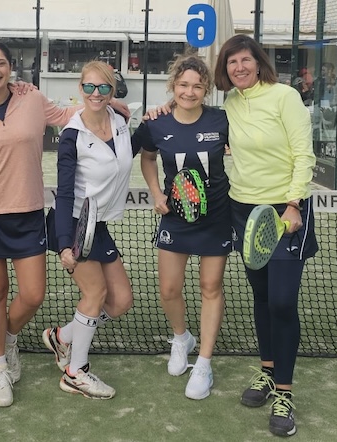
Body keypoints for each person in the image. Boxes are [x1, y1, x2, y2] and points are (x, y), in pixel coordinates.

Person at [0, 40, 128, 408]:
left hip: (29, 210)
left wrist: (111, 104)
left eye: (1, 63)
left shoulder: (31, 99)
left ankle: (10, 335)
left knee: (33, 295)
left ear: (11, 68)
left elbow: (71, 117)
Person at [212, 34, 317, 437]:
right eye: (231, 62)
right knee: (260, 296)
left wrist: (293, 204)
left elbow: (303, 153)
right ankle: (268, 372)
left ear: (258, 62)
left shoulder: (285, 96)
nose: (238, 67)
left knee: (282, 300)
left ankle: (285, 394)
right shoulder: (232, 103)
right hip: (243, 211)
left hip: (285, 212)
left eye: (245, 60)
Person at [133, 54, 231, 400]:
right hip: (175, 217)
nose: (190, 91)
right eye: (183, 85)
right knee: (170, 290)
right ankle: (181, 338)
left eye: (197, 85)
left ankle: (203, 363)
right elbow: (146, 157)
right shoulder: (156, 124)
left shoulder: (222, 120)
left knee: (210, 286)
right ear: (173, 86)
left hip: (217, 216)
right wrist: (156, 191)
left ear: (206, 89)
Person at [42, 60, 137, 399]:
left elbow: (127, 153)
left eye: (103, 88)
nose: (95, 94)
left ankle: (64, 337)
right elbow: (64, 192)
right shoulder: (71, 135)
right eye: (89, 87)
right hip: (73, 226)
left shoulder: (121, 121)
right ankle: (75, 372)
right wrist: (66, 245)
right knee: (94, 295)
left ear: (112, 90)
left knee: (121, 301)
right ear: (79, 89)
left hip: (101, 225)